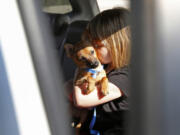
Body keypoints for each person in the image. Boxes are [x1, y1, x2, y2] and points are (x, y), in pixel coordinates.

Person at [66, 8, 130, 135]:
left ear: (116, 46)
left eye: (97, 46)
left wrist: (80, 67)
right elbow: (65, 87)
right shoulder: (104, 67)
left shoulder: (125, 77)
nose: (92, 50)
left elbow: (81, 99)